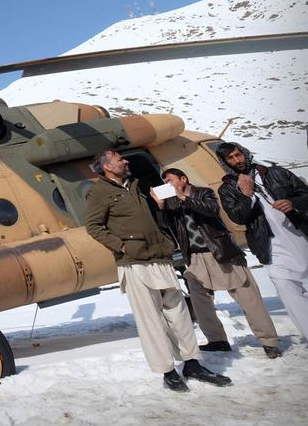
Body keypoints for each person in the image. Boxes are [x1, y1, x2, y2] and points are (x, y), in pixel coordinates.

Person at [85, 150, 231, 392]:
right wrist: (122, 246)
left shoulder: (134, 185)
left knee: (179, 313)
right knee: (150, 319)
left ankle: (192, 363)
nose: (126, 161)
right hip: (133, 262)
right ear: (107, 167)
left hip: (159, 257)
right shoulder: (98, 192)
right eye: (120, 159)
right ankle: (167, 371)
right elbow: (93, 226)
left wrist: (161, 213)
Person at [153, 168, 281, 358]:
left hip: (220, 252)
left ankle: (269, 342)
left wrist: (184, 198)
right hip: (196, 258)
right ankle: (217, 340)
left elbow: (211, 210)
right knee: (199, 300)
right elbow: (165, 224)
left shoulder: (204, 193)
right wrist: (161, 206)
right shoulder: (172, 201)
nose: (168, 185)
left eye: (170, 180)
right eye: (166, 183)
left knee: (248, 296)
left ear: (183, 179)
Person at [216, 141, 308, 340]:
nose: (237, 160)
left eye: (238, 155)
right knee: (289, 292)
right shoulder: (227, 189)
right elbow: (238, 217)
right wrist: (247, 194)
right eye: (230, 158)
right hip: (270, 245)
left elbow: (305, 194)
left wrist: (293, 203)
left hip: (300, 235)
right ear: (224, 162)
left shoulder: (276, 173)